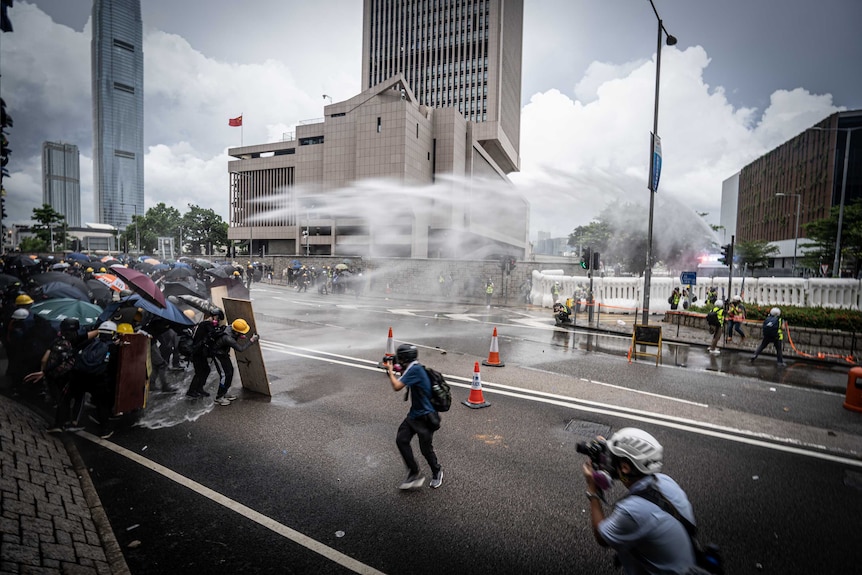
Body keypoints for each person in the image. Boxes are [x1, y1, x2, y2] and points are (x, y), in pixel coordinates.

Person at [582, 427, 698, 574]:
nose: (609, 463)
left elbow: (602, 537)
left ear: (625, 468)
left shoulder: (633, 511)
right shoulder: (666, 481)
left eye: (613, 459)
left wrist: (592, 490)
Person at [384, 343, 443, 490]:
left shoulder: (415, 370)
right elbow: (404, 373)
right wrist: (395, 368)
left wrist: (391, 372)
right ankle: (414, 472)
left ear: (405, 358)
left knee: (425, 449)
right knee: (401, 439)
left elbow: (397, 386)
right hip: (414, 415)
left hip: (425, 418)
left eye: (400, 357)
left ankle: (437, 471)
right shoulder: (414, 367)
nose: (399, 359)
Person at [209, 318, 260, 406]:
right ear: (237, 331)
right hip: (218, 355)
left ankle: (225, 393)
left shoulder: (230, 327)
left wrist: (239, 336)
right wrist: (251, 340)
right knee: (225, 375)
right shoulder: (228, 338)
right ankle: (219, 397)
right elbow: (240, 349)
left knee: (230, 372)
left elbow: (234, 335)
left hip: (223, 353)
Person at [185, 308, 224, 398]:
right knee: (200, 372)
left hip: (201, 352)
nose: (217, 321)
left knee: (206, 370)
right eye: (218, 318)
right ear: (215, 316)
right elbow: (213, 334)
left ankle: (199, 388)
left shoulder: (206, 323)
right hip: (197, 352)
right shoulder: (206, 324)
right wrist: (220, 330)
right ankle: (191, 391)